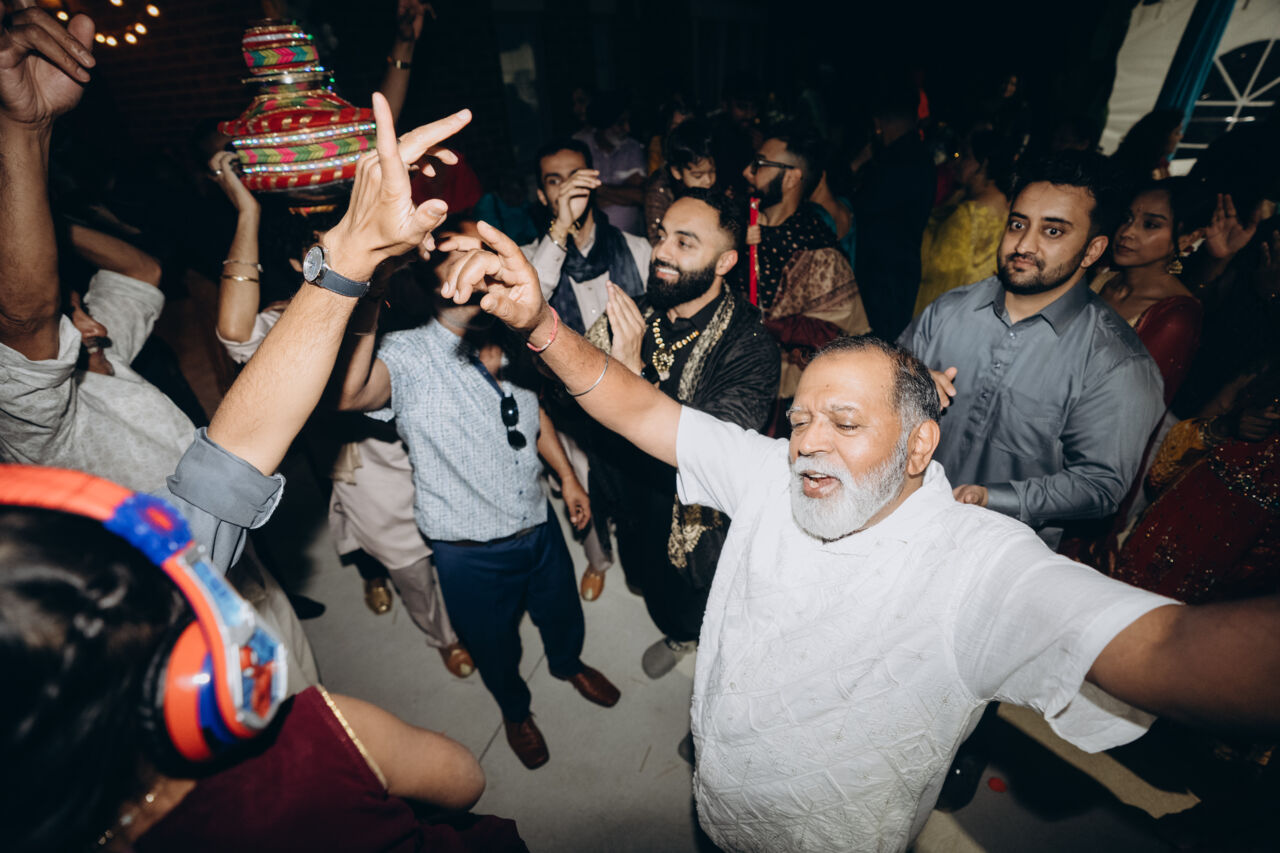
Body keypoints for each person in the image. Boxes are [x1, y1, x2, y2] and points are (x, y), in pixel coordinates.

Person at [436, 218, 1280, 853]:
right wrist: (539, 323)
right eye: (802, 418)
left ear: (919, 445)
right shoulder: (769, 473)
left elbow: (1168, 646)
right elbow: (642, 411)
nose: (809, 441)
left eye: (845, 422)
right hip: (719, 810)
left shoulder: (976, 562)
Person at [2, 9, 521, 848]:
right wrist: (342, 261)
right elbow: (244, 397)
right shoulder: (275, 302)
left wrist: (363, 248)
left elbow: (224, 463)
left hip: (267, 531)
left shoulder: (183, 566)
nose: (75, 324)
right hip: (323, 446)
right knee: (388, 540)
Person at [0, 4, 318, 693]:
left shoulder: (99, 351)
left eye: (78, 308)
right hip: (173, 620)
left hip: (239, 566)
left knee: (308, 693)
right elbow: (28, 319)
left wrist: (53, 216)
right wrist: (24, 133)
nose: (82, 320)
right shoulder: (37, 422)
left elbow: (140, 272)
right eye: (66, 317)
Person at [337, 226, 620, 771]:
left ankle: (568, 664)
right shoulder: (407, 354)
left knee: (561, 611)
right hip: (468, 549)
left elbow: (533, 415)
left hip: (536, 520)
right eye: (459, 253)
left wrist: (566, 476)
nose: (477, 259)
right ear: (434, 283)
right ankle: (515, 711)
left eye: (482, 250)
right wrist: (373, 290)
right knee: (493, 644)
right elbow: (349, 393)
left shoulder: (514, 334)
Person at [206, 150, 473, 677]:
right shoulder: (288, 322)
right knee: (404, 553)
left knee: (447, 533)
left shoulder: (400, 287)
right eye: (327, 250)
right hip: (363, 456)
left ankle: (387, 573)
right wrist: (248, 213)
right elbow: (235, 334)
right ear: (298, 265)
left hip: (425, 438)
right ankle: (440, 633)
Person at [901, 151, 1166, 548]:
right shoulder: (949, 310)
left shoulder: (1116, 363)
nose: (1024, 244)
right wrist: (906, 384)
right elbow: (880, 387)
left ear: (1092, 251)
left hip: (999, 551)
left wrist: (992, 498)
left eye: (1053, 231)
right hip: (903, 517)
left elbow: (1100, 486)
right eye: (1018, 224)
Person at [595, 189, 779, 678]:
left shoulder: (751, 347)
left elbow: (710, 452)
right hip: (627, 490)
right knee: (641, 570)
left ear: (725, 262)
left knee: (687, 595)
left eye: (684, 242)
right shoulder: (639, 310)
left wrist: (631, 373)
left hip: (687, 514)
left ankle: (686, 636)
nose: (661, 251)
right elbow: (566, 385)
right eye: (661, 236)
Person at [523, 137, 650, 599]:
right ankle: (598, 560)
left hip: (634, 398)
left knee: (636, 487)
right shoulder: (530, 260)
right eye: (554, 182)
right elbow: (528, 307)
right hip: (569, 408)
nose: (565, 191)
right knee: (581, 485)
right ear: (543, 194)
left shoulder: (637, 249)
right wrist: (560, 229)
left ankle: (639, 561)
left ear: (593, 183)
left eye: (574, 178)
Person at [741, 123, 870, 398]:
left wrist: (763, 322)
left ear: (791, 178)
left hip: (785, 396)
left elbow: (835, 335)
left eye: (760, 164)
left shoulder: (818, 249)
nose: (747, 172)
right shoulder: (738, 225)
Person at [1093, 177, 1213, 405]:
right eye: (1127, 218)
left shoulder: (1176, 314)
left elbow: (1131, 403)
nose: (1127, 231)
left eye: (1150, 225)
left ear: (1188, 238)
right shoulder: (1104, 279)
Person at [852, 82, 936, 340]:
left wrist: (856, 167)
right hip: (903, 268)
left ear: (879, 122)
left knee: (877, 342)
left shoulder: (891, 161)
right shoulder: (922, 156)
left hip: (881, 275)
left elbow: (862, 209)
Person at [913, 128, 1014, 316]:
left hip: (948, 314)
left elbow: (930, 270)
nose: (956, 162)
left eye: (965, 156)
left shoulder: (965, 217)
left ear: (983, 164)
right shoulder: (1007, 209)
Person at [572, 91, 647, 235]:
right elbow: (578, 196)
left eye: (628, 122)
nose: (627, 129)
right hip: (590, 237)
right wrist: (623, 192)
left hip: (630, 237)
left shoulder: (633, 148)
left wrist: (597, 190)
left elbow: (640, 195)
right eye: (620, 123)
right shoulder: (579, 145)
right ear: (603, 123)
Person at [644, 117, 717, 245]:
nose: (708, 181)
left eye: (712, 172)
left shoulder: (715, 188)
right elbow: (657, 240)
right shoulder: (660, 190)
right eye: (698, 175)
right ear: (677, 172)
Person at [1111, 108, 1184, 182]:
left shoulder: (1161, 165)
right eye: (1176, 133)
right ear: (1159, 137)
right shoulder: (1133, 168)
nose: (1181, 136)